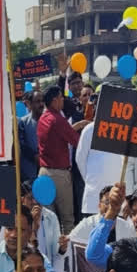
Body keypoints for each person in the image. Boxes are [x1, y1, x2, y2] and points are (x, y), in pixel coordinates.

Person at [37, 86, 89, 234]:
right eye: (61, 98)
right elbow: (76, 141)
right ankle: (67, 255)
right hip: (59, 175)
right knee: (67, 221)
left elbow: (57, 136)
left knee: (48, 222)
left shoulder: (43, 118)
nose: (63, 100)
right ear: (54, 101)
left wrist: (76, 126)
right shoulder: (58, 120)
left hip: (44, 174)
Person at [75, 120, 137, 217]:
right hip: (93, 201)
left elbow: (134, 166)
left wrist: (129, 197)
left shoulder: (130, 131)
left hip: (121, 203)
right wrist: (92, 182)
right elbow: (80, 159)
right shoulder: (90, 129)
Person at [20, 179, 68, 272]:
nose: (34, 202)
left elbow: (57, 255)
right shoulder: (14, 218)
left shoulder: (51, 217)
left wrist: (62, 249)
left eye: (38, 198)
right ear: (22, 199)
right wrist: (32, 228)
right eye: (30, 198)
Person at [18, 90, 44, 182]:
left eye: (42, 101)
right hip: (29, 171)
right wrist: (35, 156)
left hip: (46, 169)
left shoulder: (49, 120)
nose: (41, 104)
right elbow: (22, 144)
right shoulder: (23, 122)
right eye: (37, 101)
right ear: (30, 104)